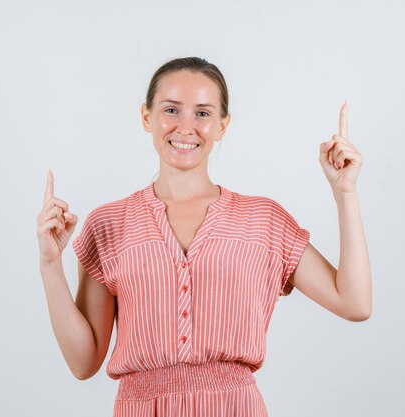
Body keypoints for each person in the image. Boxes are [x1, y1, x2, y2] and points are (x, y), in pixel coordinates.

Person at [37, 56, 372, 417]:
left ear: (222, 126)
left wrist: (345, 194)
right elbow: (83, 362)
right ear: (146, 117)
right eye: (171, 109)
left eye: (202, 113)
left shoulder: (263, 220)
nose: (185, 127)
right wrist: (50, 264)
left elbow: (354, 303)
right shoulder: (109, 224)